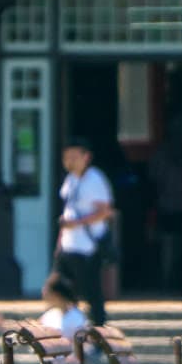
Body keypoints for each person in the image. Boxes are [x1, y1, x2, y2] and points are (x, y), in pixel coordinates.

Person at [55, 138, 114, 326]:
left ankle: (98, 332)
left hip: (88, 247)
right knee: (63, 291)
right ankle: (71, 332)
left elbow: (105, 212)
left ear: (86, 157)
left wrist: (77, 223)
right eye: (66, 157)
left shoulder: (95, 179)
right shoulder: (70, 179)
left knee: (92, 292)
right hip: (69, 246)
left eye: (74, 156)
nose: (69, 161)